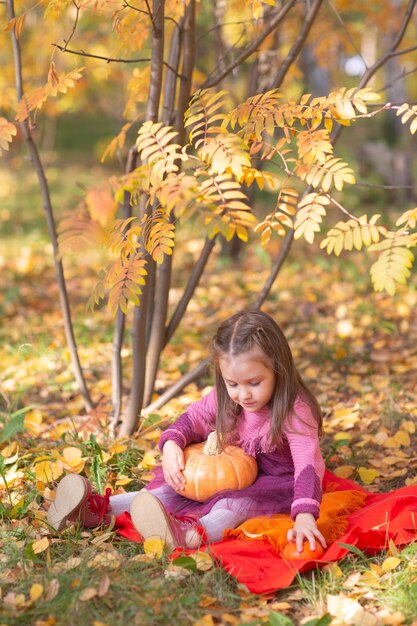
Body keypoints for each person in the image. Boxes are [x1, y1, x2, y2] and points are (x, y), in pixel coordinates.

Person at [47, 310, 326, 554]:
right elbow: (192, 419)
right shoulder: (226, 398)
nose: (243, 394)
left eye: (254, 382)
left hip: (272, 483)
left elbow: (307, 464)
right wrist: (171, 445)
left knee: (232, 504)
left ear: (279, 369)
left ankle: (192, 534)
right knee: (173, 490)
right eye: (233, 383)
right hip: (226, 474)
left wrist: (304, 514)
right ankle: (95, 510)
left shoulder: (295, 409)